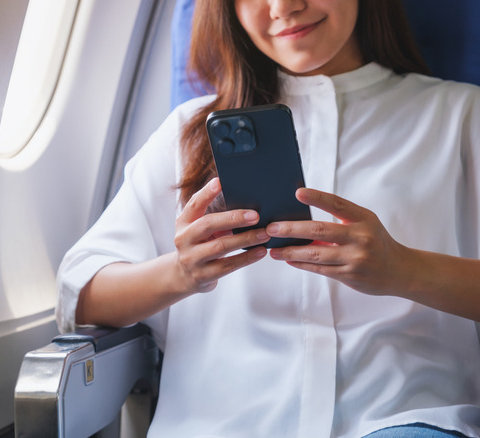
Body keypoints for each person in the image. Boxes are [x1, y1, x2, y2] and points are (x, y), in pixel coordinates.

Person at [56, 0, 480, 436]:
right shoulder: (188, 134)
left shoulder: (463, 116)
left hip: (399, 420)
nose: (284, 7)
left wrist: (404, 270)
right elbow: (79, 296)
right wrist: (180, 273)